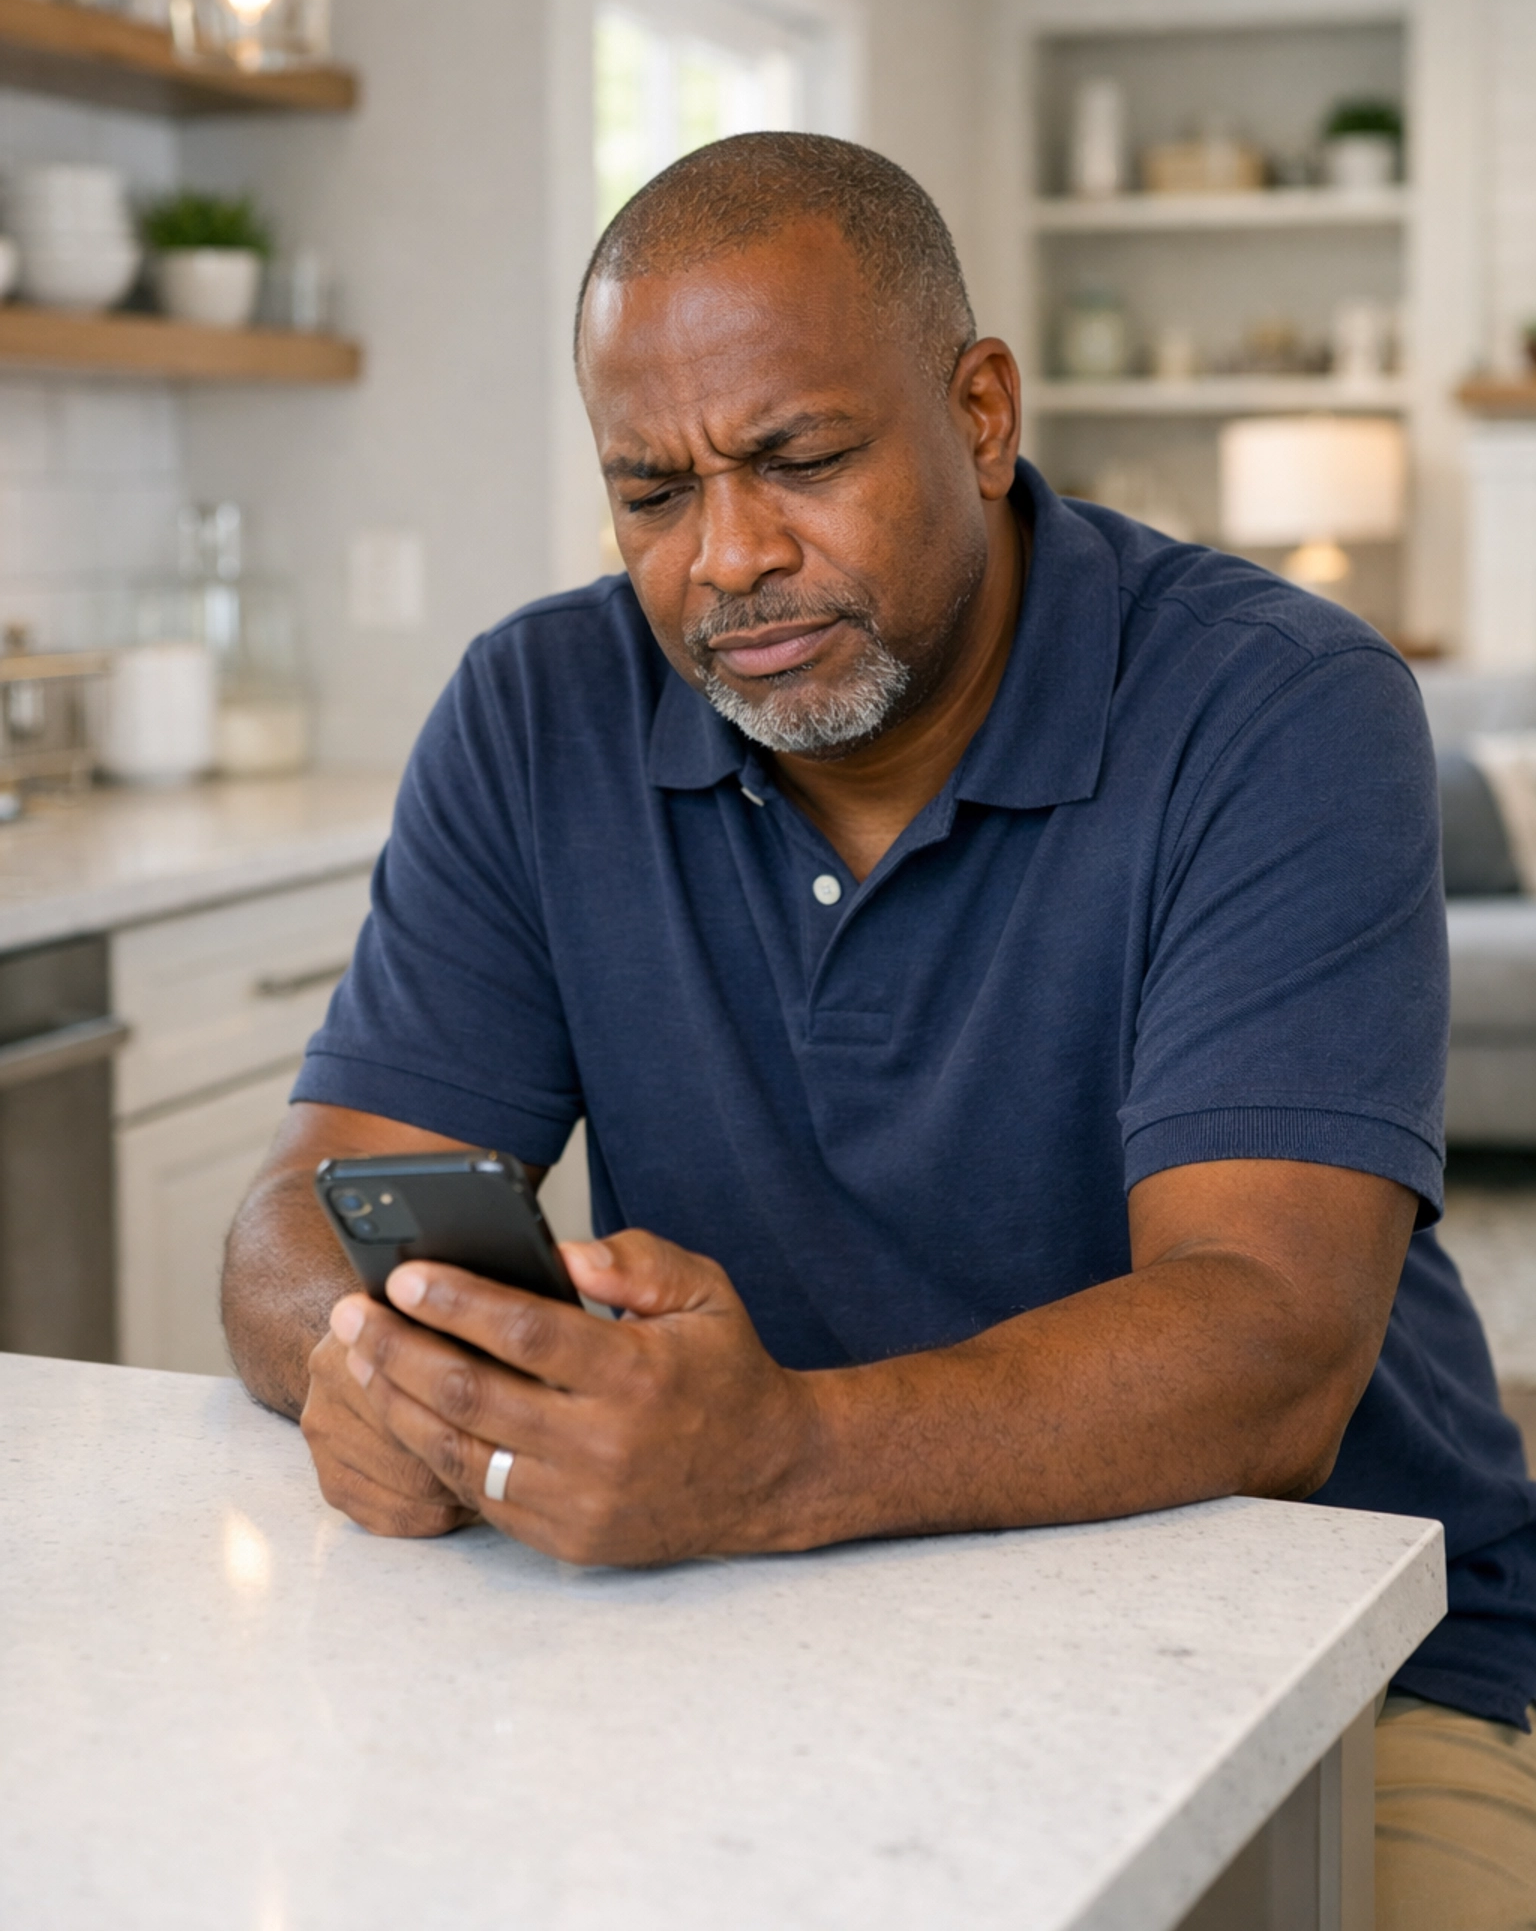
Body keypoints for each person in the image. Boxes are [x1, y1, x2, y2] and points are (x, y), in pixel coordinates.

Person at [224, 133, 1536, 1926]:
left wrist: (775, 1462)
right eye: (651, 493)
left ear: (982, 414)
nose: (728, 561)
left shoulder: (1279, 708)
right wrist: (365, 1368)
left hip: (1338, 1664)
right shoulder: (536, 712)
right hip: (753, 1629)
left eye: (800, 460)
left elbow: (1272, 1347)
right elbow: (301, 1213)